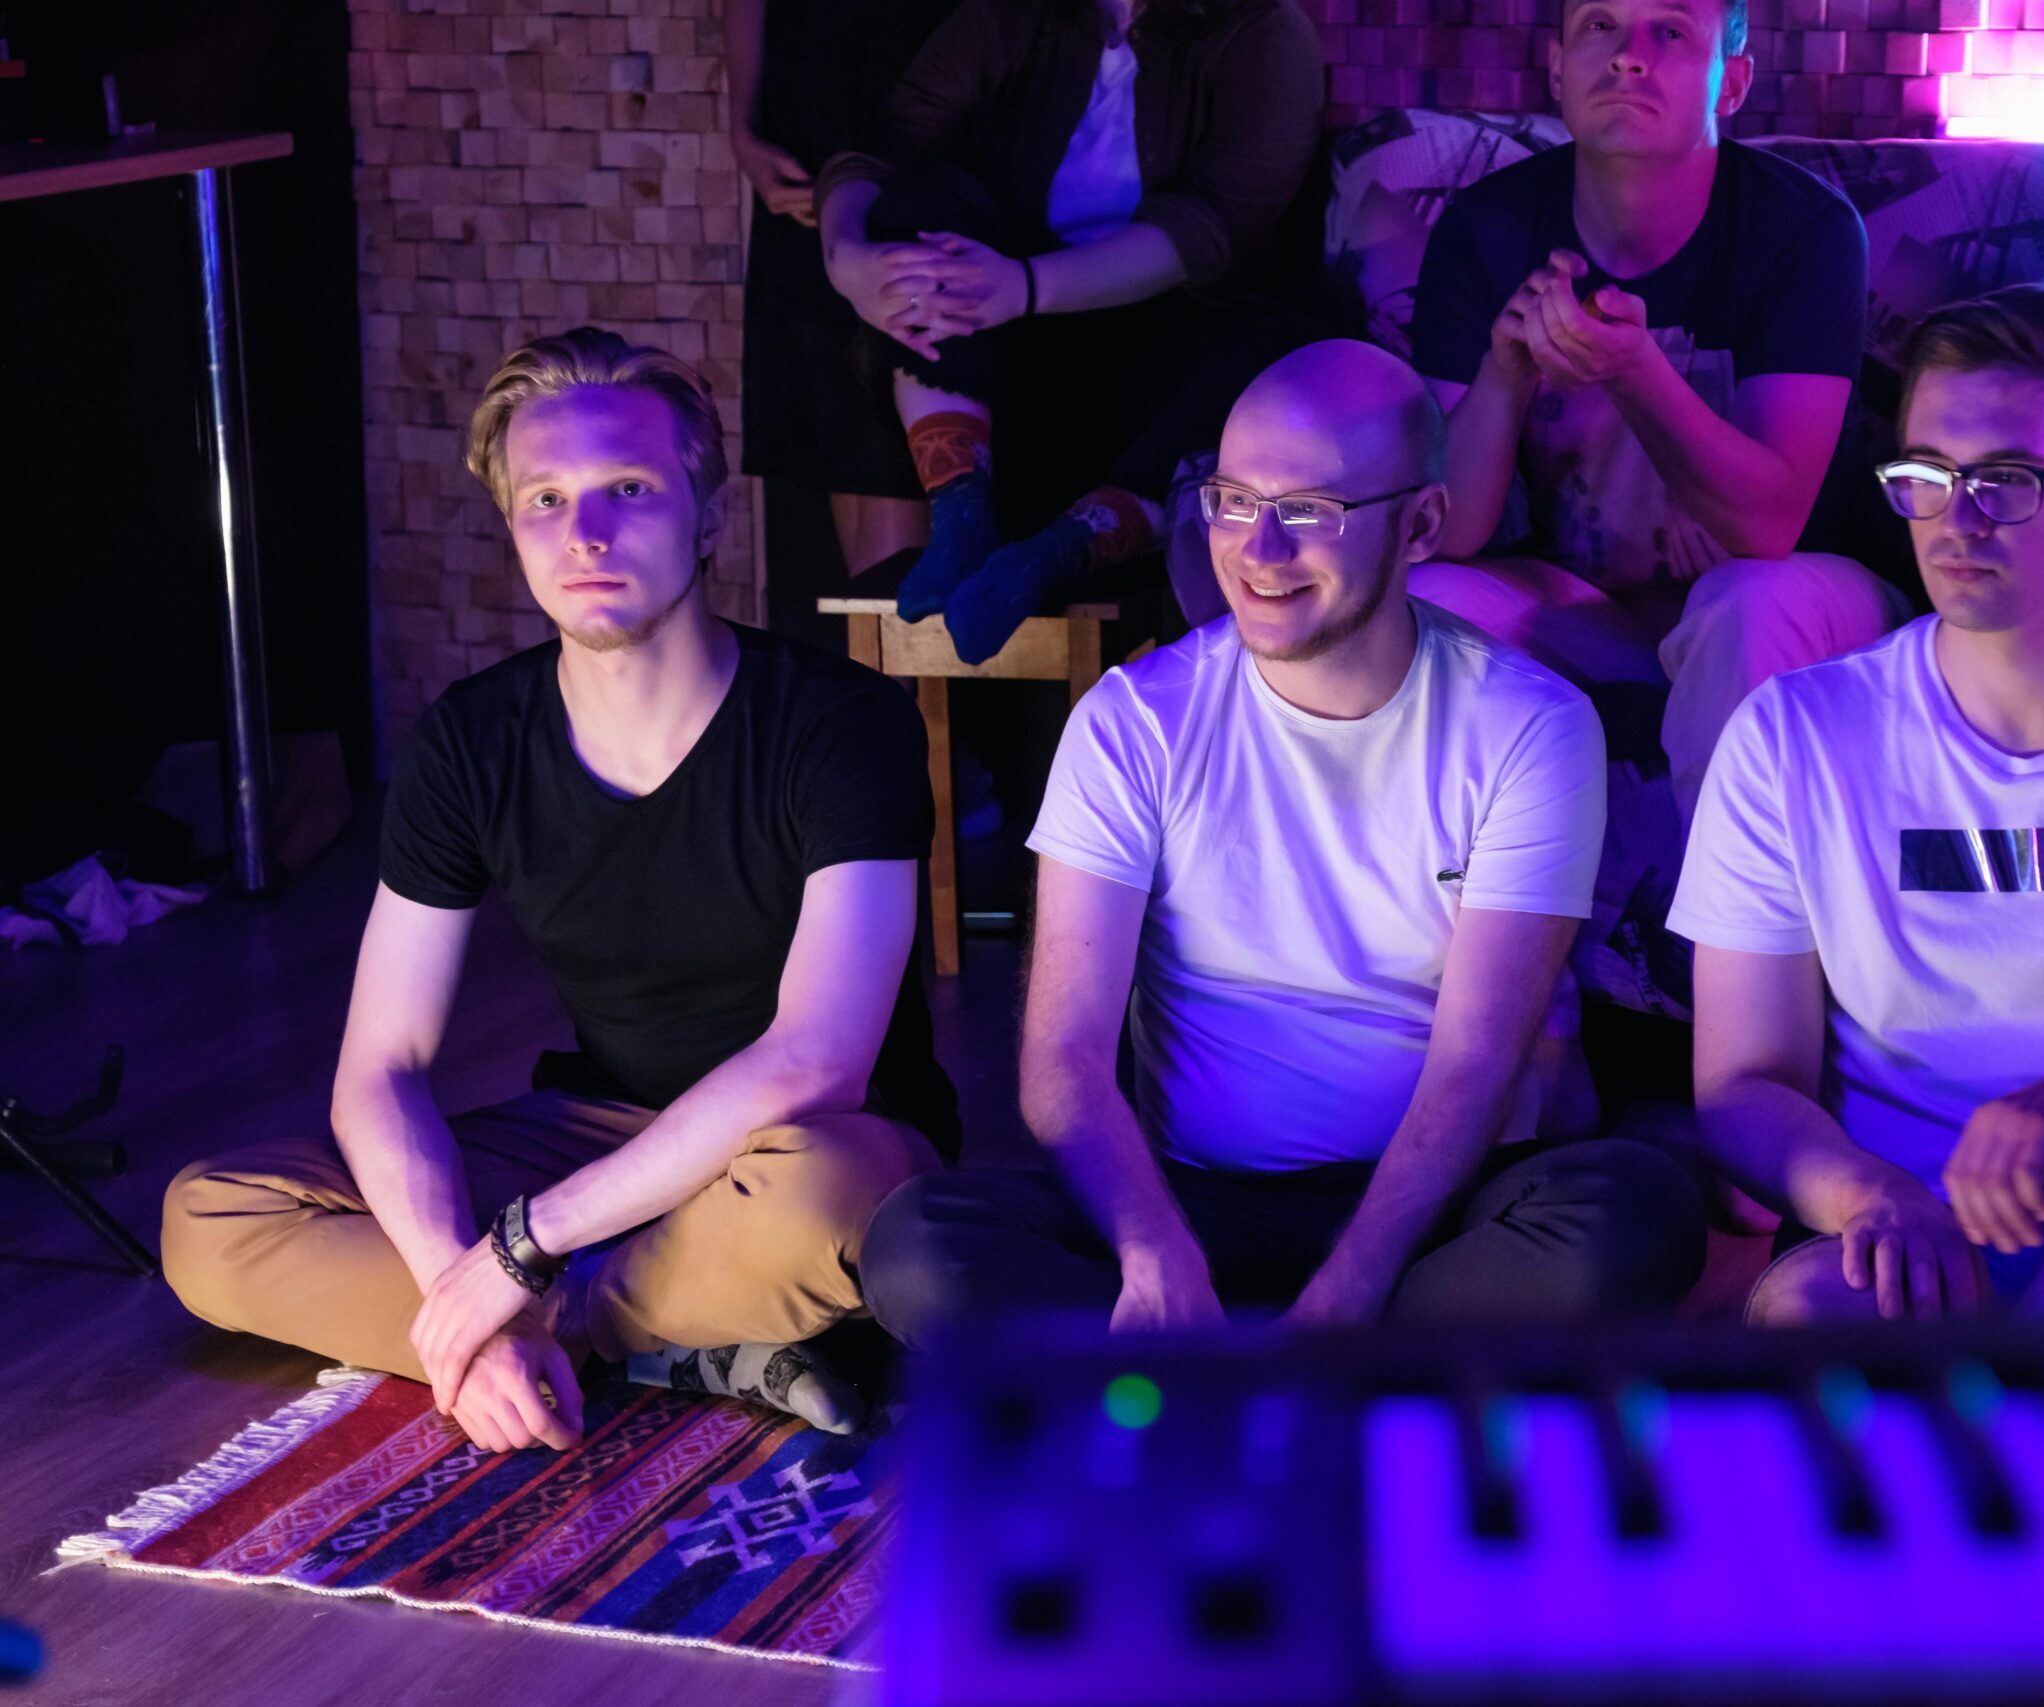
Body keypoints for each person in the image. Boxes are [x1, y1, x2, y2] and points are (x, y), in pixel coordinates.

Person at [162, 330, 957, 1450]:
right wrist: (467, 1284)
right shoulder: (472, 741)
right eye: (545, 501)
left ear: (708, 514)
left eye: (628, 489)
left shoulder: (841, 727)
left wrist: (520, 1254)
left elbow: (814, 1059)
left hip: (798, 1147)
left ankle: (569, 1324)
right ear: (514, 534)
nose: (585, 533)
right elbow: (378, 1072)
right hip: (592, 1133)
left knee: (847, 1200)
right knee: (210, 1219)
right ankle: (655, 1344)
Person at [856, 341, 1707, 1342]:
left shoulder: (1527, 725)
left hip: (1429, 1211)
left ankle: (1234, 1369)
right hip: (1193, 1204)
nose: (1256, 552)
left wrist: (1349, 1291)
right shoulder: (1137, 719)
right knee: (920, 1248)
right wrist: (1148, 1249)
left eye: (1308, 511)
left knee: (1634, 1217)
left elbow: (1476, 1060)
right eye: (1231, 500)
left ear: (1421, 524)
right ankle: (1326, 1371)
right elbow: (1063, 1055)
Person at [1675, 286, 2044, 1322]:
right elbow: (1740, 1085)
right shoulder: (1796, 735)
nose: (1955, 519)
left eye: (2007, 481)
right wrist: (1867, 1197)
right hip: (1920, 1222)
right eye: (1926, 478)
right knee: (1804, 1317)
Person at [1406, 0, 1903, 824]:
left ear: (1731, 83)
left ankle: (1732, 938)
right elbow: (1446, 533)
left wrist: (1637, 372)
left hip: (1799, 594)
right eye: (1600, 25)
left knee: (1744, 608)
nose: (1630, 56)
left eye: (1670, 31)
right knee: (1432, 604)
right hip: (1589, 600)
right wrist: (1502, 377)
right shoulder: (1485, 230)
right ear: (1557, 68)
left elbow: (1768, 529)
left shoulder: (1804, 230)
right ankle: (1459, 930)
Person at [812, 0, 1324, 664]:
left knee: (1283, 347)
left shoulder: (1264, 31)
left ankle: (1061, 553)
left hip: (1172, 348)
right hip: (1014, 367)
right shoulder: (1012, 18)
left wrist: (1024, 287)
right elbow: (884, 149)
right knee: (923, 209)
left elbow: (1212, 226)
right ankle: (959, 511)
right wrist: (847, 260)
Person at [726, 0, 957, 595]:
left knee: (891, 448)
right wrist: (743, 125)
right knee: (844, 439)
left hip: (932, 97)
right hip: (811, 112)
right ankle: (884, 678)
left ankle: (890, 679)